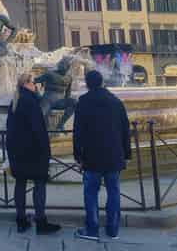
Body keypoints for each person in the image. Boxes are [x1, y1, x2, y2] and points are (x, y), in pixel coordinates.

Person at [73, 70, 130, 242]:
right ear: (102, 82)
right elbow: (125, 130)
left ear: (88, 83)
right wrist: (126, 153)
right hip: (114, 155)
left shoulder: (83, 102)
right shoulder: (115, 101)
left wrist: (78, 156)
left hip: (92, 156)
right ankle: (113, 229)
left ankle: (92, 229)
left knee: (90, 193)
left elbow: (78, 132)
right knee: (113, 192)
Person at [6, 73, 61, 235]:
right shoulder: (31, 102)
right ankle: (41, 222)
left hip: (17, 152)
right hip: (34, 152)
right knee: (39, 184)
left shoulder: (15, 102)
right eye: (33, 82)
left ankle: (21, 221)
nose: (35, 85)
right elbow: (39, 130)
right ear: (26, 84)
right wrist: (46, 152)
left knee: (20, 184)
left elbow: (10, 129)